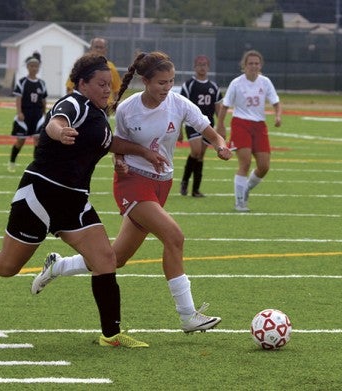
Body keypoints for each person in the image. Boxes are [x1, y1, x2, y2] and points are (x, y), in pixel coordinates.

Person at [0, 53, 169, 348]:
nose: (107, 89)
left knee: (105, 259)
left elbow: (110, 143)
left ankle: (111, 335)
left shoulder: (97, 115)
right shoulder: (74, 103)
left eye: (109, 84)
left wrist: (141, 152)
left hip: (74, 202)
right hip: (40, 195)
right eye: (100, 84)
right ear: (82, 84)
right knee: (6, 267)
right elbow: (57, 121)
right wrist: (60, 132)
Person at [32, 51, 232, 334]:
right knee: (174, 236)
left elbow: (209, 131)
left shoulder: (178, 103)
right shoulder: (127, 109)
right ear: (145, 81)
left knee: (115, 259)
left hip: (162, 183)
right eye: (161, 82)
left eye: (171, 81)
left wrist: (221, 145)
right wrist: (121, 163)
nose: (167, 88)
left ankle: (58, 266)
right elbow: (117, 149)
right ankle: (188, 315)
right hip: (133, 184)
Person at [217, 50, 282, 212]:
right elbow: (225, 105)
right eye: (250, 63)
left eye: (256, 63)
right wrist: (220, 125)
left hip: (260, 126)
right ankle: (240, 202)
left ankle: (245, 189)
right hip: (241, 124)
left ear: (260, 65)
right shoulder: (237, 83)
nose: (253, 66)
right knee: (245, 163)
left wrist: (278, 116)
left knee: (264, 166)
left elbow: (276, 102)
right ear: (244, 66)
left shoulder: (265, 82)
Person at [179, 55, 223, 197]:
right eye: (199, 64)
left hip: (207, 125)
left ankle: (195, 189)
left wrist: (221, 126)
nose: (202, 67)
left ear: (208, 67)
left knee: (200, 155)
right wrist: (179, 129)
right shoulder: (189, 85)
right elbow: (180, 108)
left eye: (204, 64)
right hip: (192, 124)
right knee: (196, 151)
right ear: (194, 67)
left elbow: (218, 109)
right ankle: (185, 182)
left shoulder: (213, 87)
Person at [8, 51, 47, 173]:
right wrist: (19, 112)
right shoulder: (22, 82)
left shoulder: (42, 83)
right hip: (25, 114)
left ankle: (37, 167)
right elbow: (18, 98)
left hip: (38, 115)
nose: (34, 68)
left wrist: (44, 113)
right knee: (21, 141)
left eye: (36, 66)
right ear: (27, 67)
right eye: (31, 66)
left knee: (38, 140)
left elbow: (44, 100)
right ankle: (12, 162)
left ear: (38, 67)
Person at [66, 37, 121, 106]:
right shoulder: (82, 65)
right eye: (96, 47)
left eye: (101, 47)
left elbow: (117, 89)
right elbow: (70, 88)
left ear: (105, 50)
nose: (98, 50)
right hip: (85, 105)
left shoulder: (111, 67)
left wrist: (115, 104)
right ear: (91, 48)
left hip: (104, 107)